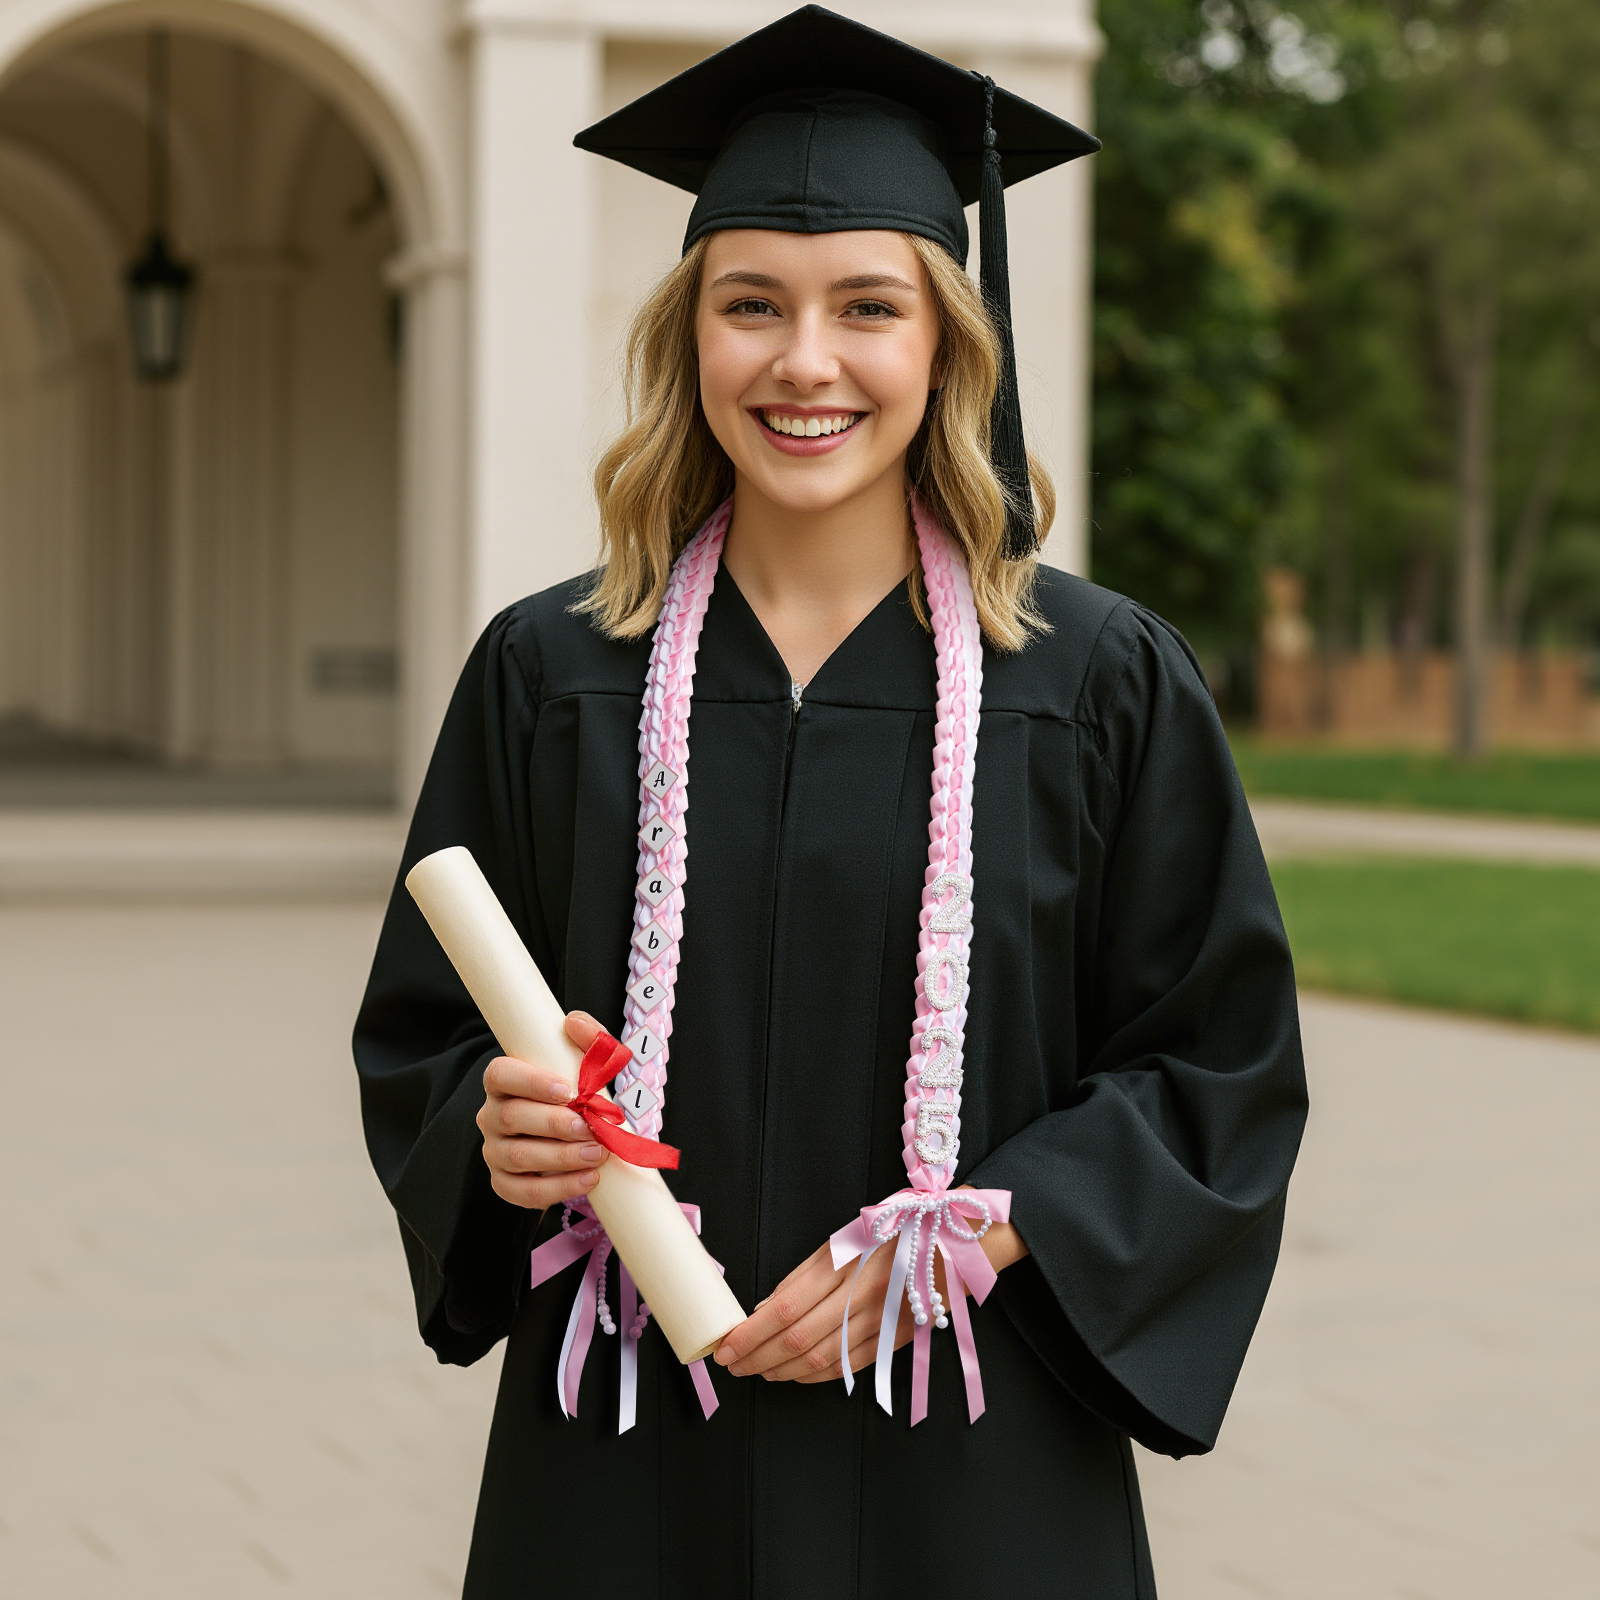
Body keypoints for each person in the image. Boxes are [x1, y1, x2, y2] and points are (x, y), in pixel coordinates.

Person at [354, 9, 1307, 1597]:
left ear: (946, 342)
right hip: (629, 1451)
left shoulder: (1096, 680)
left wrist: (992, 1229)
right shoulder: (550, 673)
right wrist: (492, 1134)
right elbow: (423, 1039)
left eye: (869, 306)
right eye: (752, 306)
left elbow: (1215, 1064)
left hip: (971, 1449)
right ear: (689, 339)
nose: (807, 361)